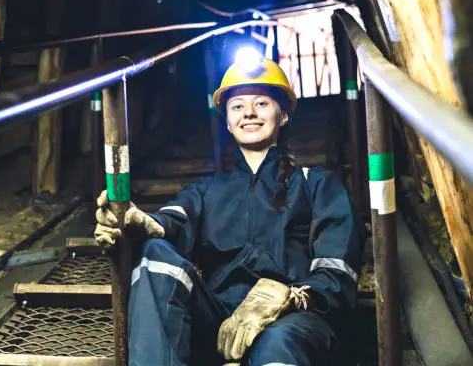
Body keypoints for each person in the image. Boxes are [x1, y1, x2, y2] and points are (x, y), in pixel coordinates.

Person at [94, 52, 367, 366]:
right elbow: (172, 223)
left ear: (285, 114)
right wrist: (137, 222)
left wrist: (294, 296)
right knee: (154, 253)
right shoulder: (208, 190)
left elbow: (337, 270)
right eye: (237, 106)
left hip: (293, 319)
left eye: (262, 103)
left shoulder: (317, 184)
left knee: (278, 342)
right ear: (227, 121)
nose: (249, 113)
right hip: (221, 319)